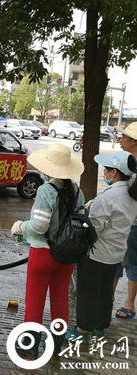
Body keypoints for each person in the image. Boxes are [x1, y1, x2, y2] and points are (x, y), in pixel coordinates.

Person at [10, 143, 85, 359]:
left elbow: (39, 226)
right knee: (60, 298)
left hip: (43, 253)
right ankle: (56, 345)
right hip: (67, 254)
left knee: (35, 299)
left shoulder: (45, 191)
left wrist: (20, 227)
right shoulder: (77, 191)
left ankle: (29, 346)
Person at [66, 151, 137, 340]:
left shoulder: (109, 196)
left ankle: (83, 330)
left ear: (115, 172)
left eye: (106, 169)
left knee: (88, 291)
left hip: (97, 253)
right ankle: (100, 326)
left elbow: (94, 228)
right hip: (117, 252)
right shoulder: (132, 193)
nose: (104, 172)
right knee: (105, 290)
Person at [114, 122, 137, 319]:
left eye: (124, 137)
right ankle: (108, 300)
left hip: (133, 224)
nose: (120, 140)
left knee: (128, 263)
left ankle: (128, 303)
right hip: (124, 220)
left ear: (134, 142)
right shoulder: (129, 161)